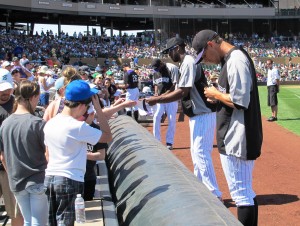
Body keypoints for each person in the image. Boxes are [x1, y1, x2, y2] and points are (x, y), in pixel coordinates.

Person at [192, 29, 263, 226]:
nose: (205, 60)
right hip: (235, 133)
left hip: (238, 135)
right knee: (245, 192)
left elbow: (241, 101)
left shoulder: (235, 59)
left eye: (204, 55)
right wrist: (218, 98)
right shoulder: (229, 60)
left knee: (242, 194)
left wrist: (216, 94)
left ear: (210, 45)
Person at [146, 37, 222, 200]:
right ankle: (201, 191)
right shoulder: (188, 61)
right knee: (196, 153)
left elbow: (183, 92)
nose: (168, 55)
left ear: (177, 48)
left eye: (169, 51)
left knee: (201, 153)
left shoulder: (188, 61)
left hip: (203, 113)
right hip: (199, 114)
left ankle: (214, 194)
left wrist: (157, 99)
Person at [44, 80, 112, 226]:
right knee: (65, 222)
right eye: (87, 106)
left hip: (49, 177)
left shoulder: (51, 123)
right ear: (81, 105)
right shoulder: (77, 127)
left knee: (50, 222)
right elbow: (107, 136)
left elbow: (47, 155)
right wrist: (99, 109)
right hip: (69, 179)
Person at [0, 80, 48, 226]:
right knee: (38, 222)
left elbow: (2, 156)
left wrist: (12, 175)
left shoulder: (5, 124)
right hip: (37, 179)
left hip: (16, 180)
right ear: (33, 97)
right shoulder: (37, 123)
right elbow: (48, 154)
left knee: (28, 220)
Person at [0, 69, 23, 226]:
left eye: (7, 88)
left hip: (11, 166)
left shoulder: (18, 105)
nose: (5, 92)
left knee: (16, 212)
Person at [150, 59, 179, 150]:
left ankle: (169, 142)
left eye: (157, 68)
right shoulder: (155, 72)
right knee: (156, 117)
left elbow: (174, 84)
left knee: (171, 119)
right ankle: (156, 140)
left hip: (171, 98)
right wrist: (155, 94)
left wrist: (166, 94)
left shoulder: (170, 68)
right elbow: (155, 84)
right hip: (160, 99)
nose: (156, 70)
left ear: (161, 64)